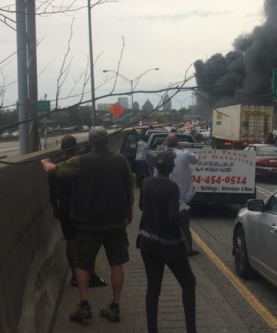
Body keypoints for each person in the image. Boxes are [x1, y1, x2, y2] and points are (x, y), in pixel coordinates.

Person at [42, 126, 135, 323]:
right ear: (107, 141)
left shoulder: (80, 161)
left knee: (82, 264)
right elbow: (130, 188)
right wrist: (129, 212)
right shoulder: (121, 160)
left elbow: (55, 170)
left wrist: (45, 162)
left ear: (90, 143)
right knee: (116, 263)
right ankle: (115, 307)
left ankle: (84, 306)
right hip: (115, 222)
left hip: (88, 223)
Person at [138, 150, 197, 333]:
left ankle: (152, 329)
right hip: (170, 245)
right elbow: (172, 217)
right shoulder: (171, 187)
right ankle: (191, 329)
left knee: (153, 288)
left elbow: (141, 206)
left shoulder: (146, 182)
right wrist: (179, 212)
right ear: (172, 168)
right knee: (188, 283)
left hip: (147, 242)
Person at [47, 135, 108, 288]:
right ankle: (91, 275)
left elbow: (52, 192)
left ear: (62, 148)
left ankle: (75, 276)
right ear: (75, 148)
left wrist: (56, 209)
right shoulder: (83, 163)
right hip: (83, 204)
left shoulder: (56, 166)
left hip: (66, 206)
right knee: (88, 239)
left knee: (71, 240)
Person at [165, 133, 200, 256]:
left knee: (167, 222)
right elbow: (196, 158)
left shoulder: (162, 156)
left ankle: (168, 247)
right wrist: (182, 149)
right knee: (184, 223)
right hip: (184, 198)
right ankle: (187, 249)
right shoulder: (184, 154)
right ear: (177, 143)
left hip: (167, 198)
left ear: (166, 144)